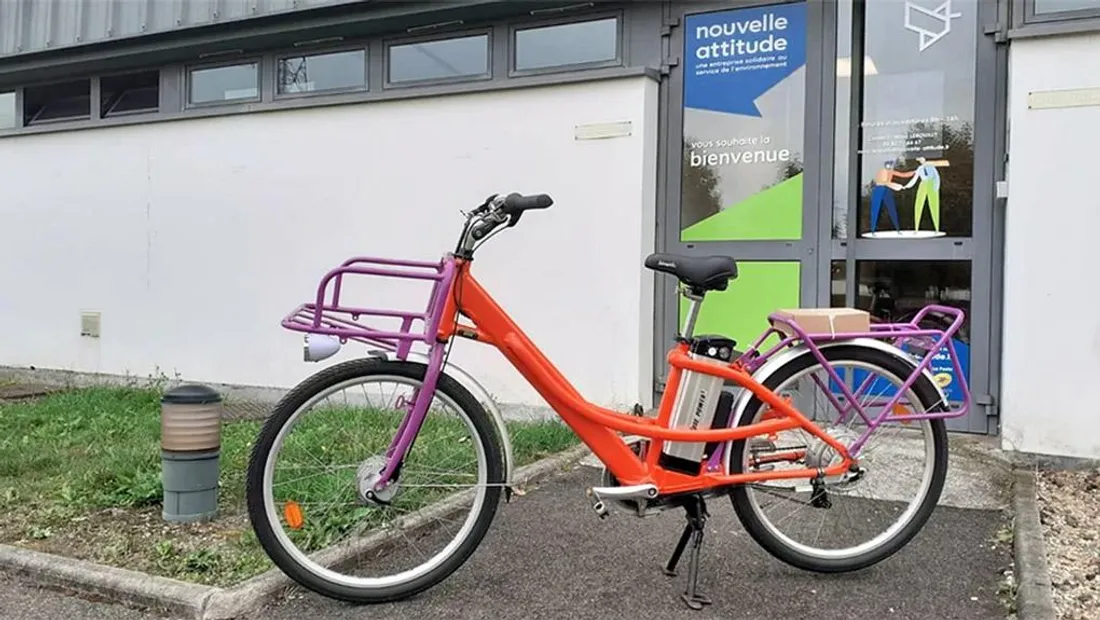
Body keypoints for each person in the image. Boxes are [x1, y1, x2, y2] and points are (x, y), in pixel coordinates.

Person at [903, 157, 950, 232]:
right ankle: (916, 229)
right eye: (920, 161)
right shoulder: (920, 168)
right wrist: (907, 186)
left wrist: (936, 186)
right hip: (923, 185)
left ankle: (937, 228)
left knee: (934, 205)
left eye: (922, 160)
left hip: (932, 184)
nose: (921, 162)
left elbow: (936, 176)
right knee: (918, 205)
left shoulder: (931, 166)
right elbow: (914, 179)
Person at [868, 161, 914, 234]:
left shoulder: (891, 172)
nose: (889, 166)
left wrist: (914, 172)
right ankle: (873, 230)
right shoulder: (881, 171)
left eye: (890, 165)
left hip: (886, 189)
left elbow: (903, 175)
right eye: (888, 165)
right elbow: (880, 181)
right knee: (875, 209)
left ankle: (898, 230)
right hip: (879, 189)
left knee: (892, 208)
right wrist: (894, 185)